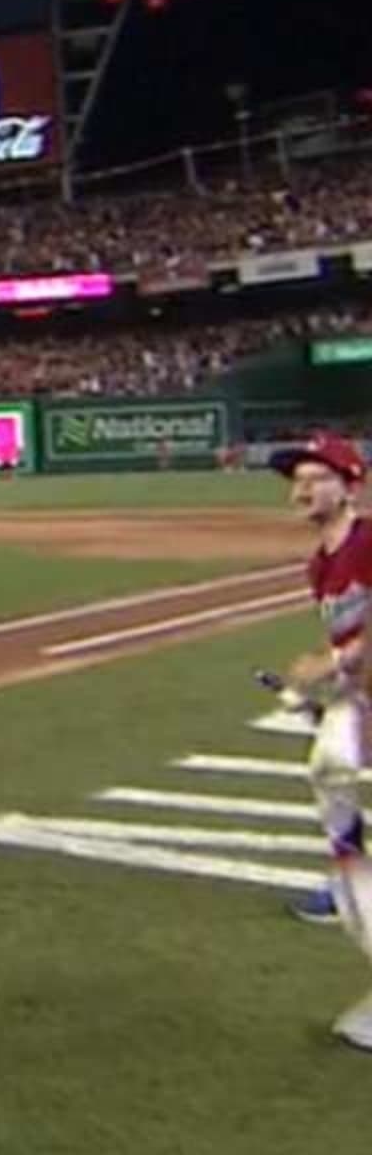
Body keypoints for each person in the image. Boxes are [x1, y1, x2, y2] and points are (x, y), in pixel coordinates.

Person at [266, 432, 372, 1047]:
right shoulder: (321, 564)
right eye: (297, 479)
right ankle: (349, 873)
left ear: (349, 482)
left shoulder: (368, 541)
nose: (303, 488)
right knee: (330, 779)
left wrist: (339, 663)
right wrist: (322, 689)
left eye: (316, 475)